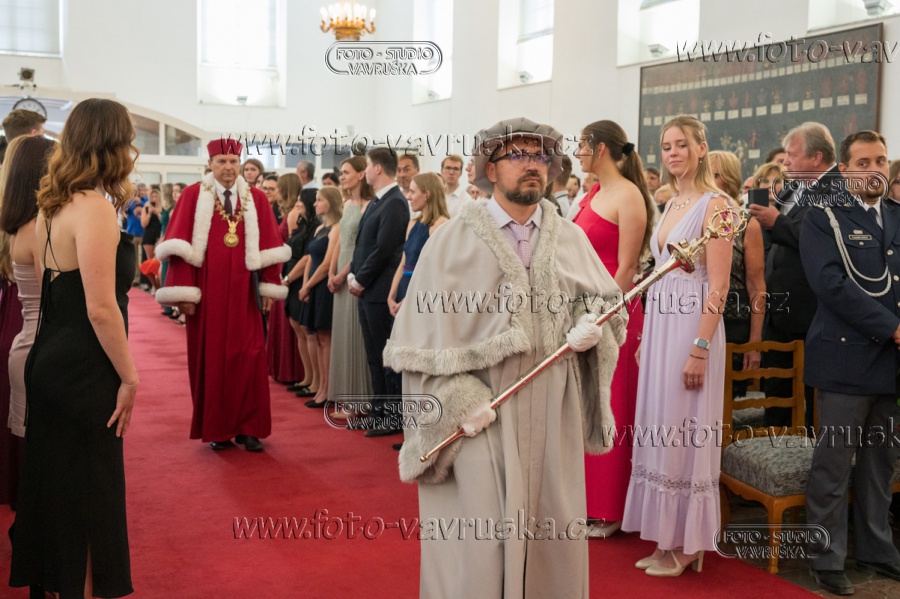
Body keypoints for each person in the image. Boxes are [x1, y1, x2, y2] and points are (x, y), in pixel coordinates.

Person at [384, 117, 626, 597]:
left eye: (540, 156)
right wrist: (456, 402)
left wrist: (591, 328)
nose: (532, 164)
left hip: (553, 410)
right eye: (517, 155)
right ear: (489, 170)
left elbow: (605, 308)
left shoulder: (570, 237)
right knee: (481, 543)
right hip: (482, 416)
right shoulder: (449, 243)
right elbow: (417, 350)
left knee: (552, 537)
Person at [9, 97, 139, 599]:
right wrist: (129, 376)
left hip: (50, 359)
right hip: (85, 368)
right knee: (89, 497)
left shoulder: (52, 206)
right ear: (112, 143)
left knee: (60, 495)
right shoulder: (94, 208)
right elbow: (101, 308)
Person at [622, 115, 733, 577]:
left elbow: (720, 286)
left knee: (685, 429)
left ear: (701, 148)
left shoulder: (718, 205)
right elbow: (660, 274)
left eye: (682, 145)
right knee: (659, 425)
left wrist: (699, 349)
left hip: (693, 326)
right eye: (666, 146)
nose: (672, 153)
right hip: (663, 326)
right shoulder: (669, 202)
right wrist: (647, 334)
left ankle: (690, 544)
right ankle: (666, 537)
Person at [801, 130, 900, 596]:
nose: (874, 169)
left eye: (880, 160)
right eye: (863, 162)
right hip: (846, 358)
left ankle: (877, 550)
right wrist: (892, 326)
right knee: (834, 465)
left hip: (891, 364)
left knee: (881, 465)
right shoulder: (824, 216)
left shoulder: (896, 214)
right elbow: (831, 284)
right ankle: (826, 558)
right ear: (844, 170)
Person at [156, 138, 290, 452]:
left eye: (233, 162)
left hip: (245, 292)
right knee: (212, 359)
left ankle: (249, 429)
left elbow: (270, 244)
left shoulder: (256, 198)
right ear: (211, 164)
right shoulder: (193, 195)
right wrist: (185, 293)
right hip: (207, 294)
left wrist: (269, 284)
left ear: (239, 164)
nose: (228, 168)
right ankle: (219, 428)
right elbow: (178, 246)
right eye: (222, 162)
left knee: (250, 357)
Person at [572, 119, 654, 539]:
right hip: (584, 309)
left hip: (615, 313)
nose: (576, 153)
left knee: (612, 403)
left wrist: (603, 315)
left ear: (600, 148)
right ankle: (586, 497)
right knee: (588, 400)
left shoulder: (629, 194)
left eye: (581, 145)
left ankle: (611, 507)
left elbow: (627, 266)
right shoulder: (592, 193)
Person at [748, 122, 839, 427]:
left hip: (810, 312)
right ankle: (775, 444)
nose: (785, 161)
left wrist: (776, 222)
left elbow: (823, 238)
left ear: (816, 157)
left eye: (792, 154)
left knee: (810, 400)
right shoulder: (793, 186)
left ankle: (805, 451)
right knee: (776, 393)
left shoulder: (838, 189)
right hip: (780, 310)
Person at [0, 135, 54, 509]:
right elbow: (57, 300)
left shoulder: (20, 225)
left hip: (23, 334)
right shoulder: (38, 227)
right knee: (45, 455)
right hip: (41, 343)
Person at [348, 147, 409, 436]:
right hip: (367, 288)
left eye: (367, 165)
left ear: (378, 169)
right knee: (374, 355)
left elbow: (385, 248)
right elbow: (363, 244)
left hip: (380, 289)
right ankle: (378, 410)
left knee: (386, 356)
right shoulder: (378, 200)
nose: (364, 172)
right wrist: (353, 273)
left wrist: (360, 279)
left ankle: (393, 417)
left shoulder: (395, 202)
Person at [709, 151, 766, 398]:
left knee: (723, 401)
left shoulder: (745, 223)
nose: (707, 181)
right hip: (692, 318)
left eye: (715, 175)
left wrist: (754, 342)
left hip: (733, 325)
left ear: (730, 180)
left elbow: (757, 285)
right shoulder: (693, 217)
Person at [327, 155, 374, 412]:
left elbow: (360, 249)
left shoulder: (369, 206)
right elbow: (340, 242)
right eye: (341, 173)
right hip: (339, 271)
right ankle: (346, 396)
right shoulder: (346, 205)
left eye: (346, 172)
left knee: (355, 334)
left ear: (361, 174)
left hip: (354, 271)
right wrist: (331, 272)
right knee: (342, 335)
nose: (342, 177)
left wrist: (344, 273)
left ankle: (360, 401)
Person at [299, 187, 341, 407]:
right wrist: (305, 285)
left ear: (330, 203)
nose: (315, 204)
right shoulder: (319, 228)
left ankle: (327, 389)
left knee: (326, 339)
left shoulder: (336, 228)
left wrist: (308, 285)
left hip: (323, 286)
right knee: (316, 337)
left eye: (319, 200)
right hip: (313, 286)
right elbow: (310, 260)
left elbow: (326, 264)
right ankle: (321, 386)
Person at [387, 172, 450, 317]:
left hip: (422, 293)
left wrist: (409, 298)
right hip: (404, 287)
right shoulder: (413, 223)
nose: (408, 197)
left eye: (412, 192)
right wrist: (391, 296)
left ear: (426, 194)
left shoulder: (441, 224)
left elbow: (435, 271)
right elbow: (403, 263)